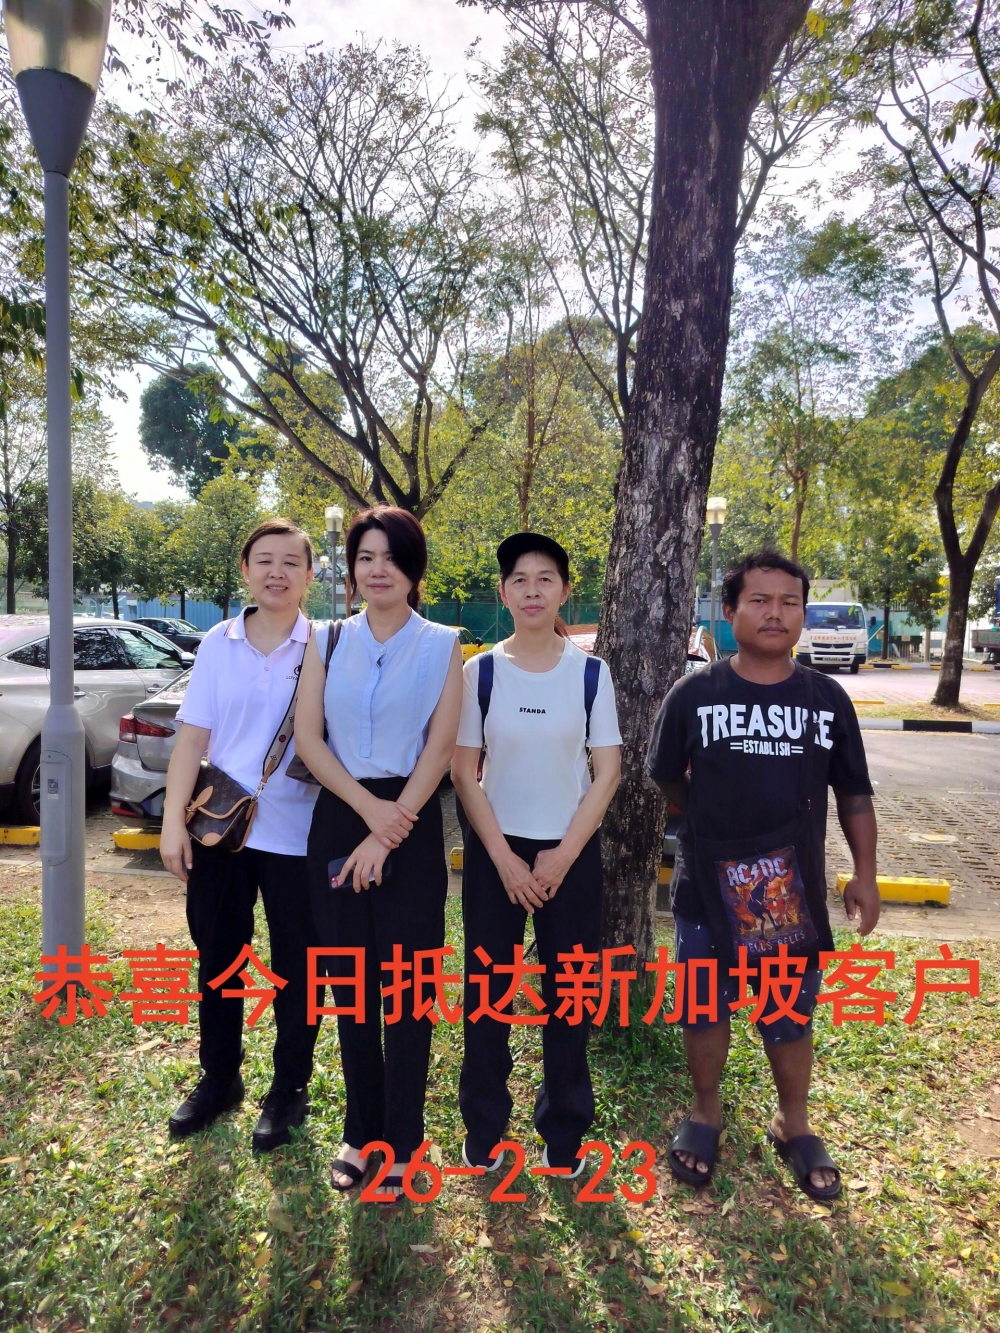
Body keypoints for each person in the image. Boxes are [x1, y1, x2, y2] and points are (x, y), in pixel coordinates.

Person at [646, 549, 880, 1201]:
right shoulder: (694, 695)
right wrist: (704, 821)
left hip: (790, 896)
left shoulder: (826, 699)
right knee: (704, 1008)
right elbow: (667, 777)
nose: (775, 613)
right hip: (705, 890)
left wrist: (865, 873)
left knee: (789, 1015)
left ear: (801, 613)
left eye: (789, 602)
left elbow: (854, 793)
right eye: (759, 600)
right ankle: (706, 1112)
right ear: (729, 611)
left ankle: (793, 1121)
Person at [295, 506, 463, 1200]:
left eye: (392, 557)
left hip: (412, 819)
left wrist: (389, 827)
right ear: (351, 569)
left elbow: (442, 748)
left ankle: (404, 1137)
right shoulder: (326, 639)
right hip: (342, 815)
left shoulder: (443, 644)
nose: (377, 569)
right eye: (365, 557)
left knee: (407, 990)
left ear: (413, 568)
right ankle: (361, 1131)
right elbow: (309, 739)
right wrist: (368, 816)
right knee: (353, 986)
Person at [452, 533, 622, 1177]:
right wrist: (504, 860)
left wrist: (559, 857)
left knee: (569, 996)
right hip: (496, 852)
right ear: (503, 592)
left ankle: (564, 1131)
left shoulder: (591, 674)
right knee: (487, 995)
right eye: (519, 580)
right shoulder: (480, 673)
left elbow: (606, 772)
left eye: (545, 578)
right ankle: (484, 1127)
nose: (532, 590)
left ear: (565, 591)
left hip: (569, 853)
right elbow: (465, 772)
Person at [160, 518, 323, 1151]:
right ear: (246, 570)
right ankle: (220, 1077)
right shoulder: (217, 643)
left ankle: (289, 1088)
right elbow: (192, 739)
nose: (277, 572)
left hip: (299, 835)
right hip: (220, 834)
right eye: (265, 560)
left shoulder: (325, 645)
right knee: (219, 958)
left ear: (310, 575)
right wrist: (173, 823)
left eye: (291, 562)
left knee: (297, 969)